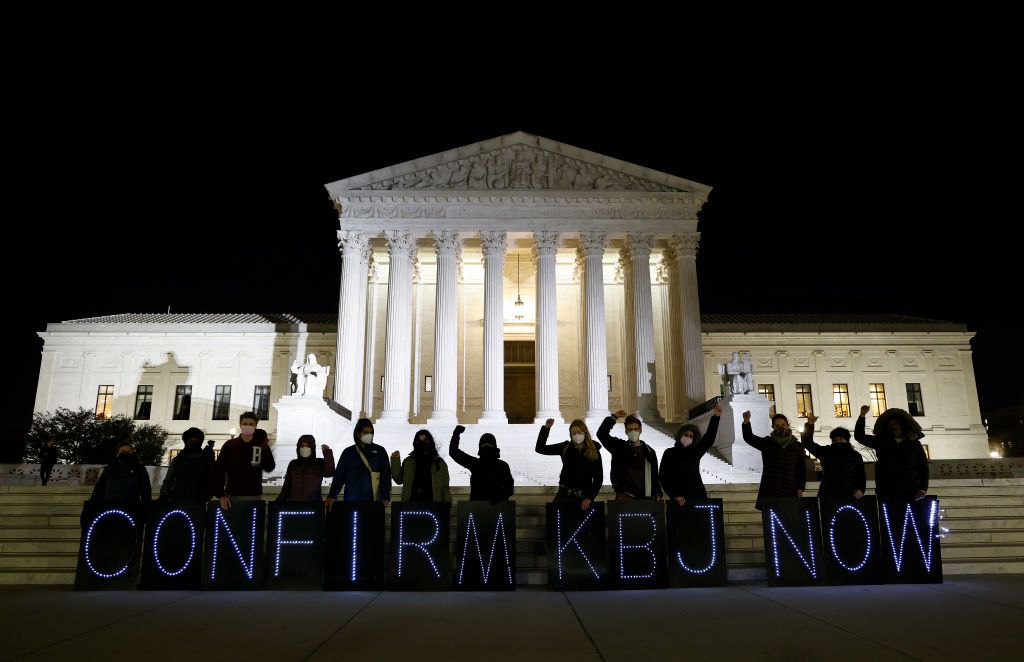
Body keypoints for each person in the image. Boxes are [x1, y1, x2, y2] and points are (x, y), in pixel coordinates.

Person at [854, 405, 928, 502]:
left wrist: (922, 488)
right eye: (890, 425)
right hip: (887, 490)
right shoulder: (881, 442)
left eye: (895, 424)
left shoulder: (914, 443)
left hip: (910, 488)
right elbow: (859, 436)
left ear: (901, 425)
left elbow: (922, 466)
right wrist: (862, 415)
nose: (893, 427)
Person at [209, 412, 275, 510]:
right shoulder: (230, 445)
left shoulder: (260, 446)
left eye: (251, 424)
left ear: (256, 426)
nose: (247, 426)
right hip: (232, 494)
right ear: (240, 425)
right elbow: (219, 470)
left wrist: (265, 447)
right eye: (245, 424)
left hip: (254, 495)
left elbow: (269, 467)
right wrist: (220, 494)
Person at [741, 411, 807, 510]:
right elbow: (749, 438)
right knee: (771, 522)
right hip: (770, 491)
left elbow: (801, 469)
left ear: (787, 425)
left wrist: (800, 488)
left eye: (783, 425)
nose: (781, 427)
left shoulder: (797, 446)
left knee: (789, 521)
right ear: (773, 427)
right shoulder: (767, 443)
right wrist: (746, 422)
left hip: (790, 490)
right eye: (777, 425)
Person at [659, 404, 722, 505]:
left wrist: (716, 417)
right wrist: (674, 495)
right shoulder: (669, 453)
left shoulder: (695, 452)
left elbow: (708, 439)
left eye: (691, 436)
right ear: (680, 435)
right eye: (686, 435)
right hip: (679, 499)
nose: (688, 437)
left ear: (694, 439)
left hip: (697, 496)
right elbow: (663, 477)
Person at [535, 418, 603, 510]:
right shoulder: (565, 447)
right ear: (570, 434)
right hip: (564, 494)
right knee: (556, 520)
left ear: (585, 433)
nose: (576, 435)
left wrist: (590, 497)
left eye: (579, 432)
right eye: (573, 433)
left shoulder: (594, 451)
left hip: (584, 495)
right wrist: (546, 428)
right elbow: (540, 448)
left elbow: (598, 477)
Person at [597, 410, 663, 501]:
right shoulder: (619, 448)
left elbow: (654, 476)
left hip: (645, 497)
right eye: (630, 429)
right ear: (626, 431)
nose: (633, 432)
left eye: (635, 429)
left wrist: (658, 493)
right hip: (624, 496)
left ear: (640, 430)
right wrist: (613, 417)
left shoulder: (649, 452)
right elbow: (601, 434)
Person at [325, 418, 391, 508]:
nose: (370, 435)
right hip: (351, 501)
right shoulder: (348, 452)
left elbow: (386, 475)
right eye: (366, 432)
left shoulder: (380, 451)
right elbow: (339, 476)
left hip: (373, 502)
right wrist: (332, 496)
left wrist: (385, 497)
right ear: (357, 433)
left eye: (371, 433)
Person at [801, 414, 866, 501]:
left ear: (846, 440)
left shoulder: (855, 455)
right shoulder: (826, 452)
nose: (838, 442)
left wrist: (861, 490)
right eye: (835, 440)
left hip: (849, 495)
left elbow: (861, 474)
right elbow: (808, 443)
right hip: (828, 496)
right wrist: (809, 425)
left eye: (840, 439)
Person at [448, 425, 514, 503]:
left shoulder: (475, 464)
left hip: (481, 507)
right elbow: (509, 487)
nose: (487, 448)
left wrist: (456, 434)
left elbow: (509, 487)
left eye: (488, 445)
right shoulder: (502, 465)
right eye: (484, 445)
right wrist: (501, 497)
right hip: (491, 507)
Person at [391, 430, 452, 503]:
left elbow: (445, 488)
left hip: (433, 507)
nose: (422, 444)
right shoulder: (408, 462)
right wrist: (395, 460)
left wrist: (447, 507)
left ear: (430, 442)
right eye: (419, 441)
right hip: (411, 506)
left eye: (425, 441)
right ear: (415, 443)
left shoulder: (440, 463)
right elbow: (398, 480)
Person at [89, 441, 152, 510]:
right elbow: (99, 490)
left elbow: (146, 490)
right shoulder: (108, 469)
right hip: (109, 508)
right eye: (122, 451)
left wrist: (145, 508)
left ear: (132, 453)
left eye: (128, 451)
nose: (125, 453)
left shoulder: (139, 468)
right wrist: (90, 507)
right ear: (117, 454)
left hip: (131, 509)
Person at [159, 428, 214, 503]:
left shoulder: (206, 461)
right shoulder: (177, 460)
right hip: (178, 500)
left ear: (200, 442)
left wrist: (207, 494)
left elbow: (211, 480)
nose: (194, 443)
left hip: (198, 502)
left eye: (196, 441)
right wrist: (164, 495)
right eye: (191, 441)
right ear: (186, 442)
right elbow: (168, 480)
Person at [276, 435, 335, 502]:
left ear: (312, 448)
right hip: (294, 505)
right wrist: (277, 504)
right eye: (302, 446)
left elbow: (330, 472)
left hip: (313, 505)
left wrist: (327, 453)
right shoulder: (293, 464)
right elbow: (286, 487)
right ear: (298, 448)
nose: (305, 448)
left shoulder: (319, 463)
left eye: (308, 446)